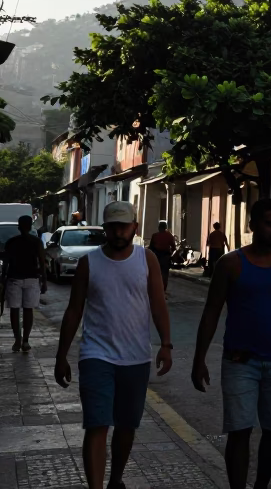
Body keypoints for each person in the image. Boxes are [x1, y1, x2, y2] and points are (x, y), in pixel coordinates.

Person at [192, 198, 271, 489]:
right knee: (239, 431)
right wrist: (198, 359)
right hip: (240, 362)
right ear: (253, 226)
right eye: (270, 224)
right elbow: (211, 313)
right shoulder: (230, 264)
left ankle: (261, 485)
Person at [53, 201, 173, 489]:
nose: (119, 232)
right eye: (113, 227)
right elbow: (74, 311)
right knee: (97, 424)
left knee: (126, 426)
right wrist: (62, 355)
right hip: (96, 356)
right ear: (105, 229)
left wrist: (166, 344)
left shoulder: (147, 260)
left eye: (124, 226)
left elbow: (158, 305)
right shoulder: (89, 263)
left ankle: (116, 478)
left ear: (135, 227)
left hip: (136, 358)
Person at [3, 214, 47, 352]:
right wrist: (44, 281)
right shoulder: (36, 242)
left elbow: (6, 263)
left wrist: (2, 279)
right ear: (30, 226)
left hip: (14, 279)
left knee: (14, 310)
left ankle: (17, 339)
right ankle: (25, 340)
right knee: (28, 310)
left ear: (19, 227)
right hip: (31, 279)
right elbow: (42, 262)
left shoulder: (11, 242)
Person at [148, 221, 177, 295]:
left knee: (155, 273)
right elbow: (174, 247)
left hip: (156, 256)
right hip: (165, 257)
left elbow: (151, 247)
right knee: (164, 274)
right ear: (165, 228)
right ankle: (163, 290)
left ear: (159, 228)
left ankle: (155, 289)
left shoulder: (155, 235)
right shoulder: (169, 236)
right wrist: (170, 254)